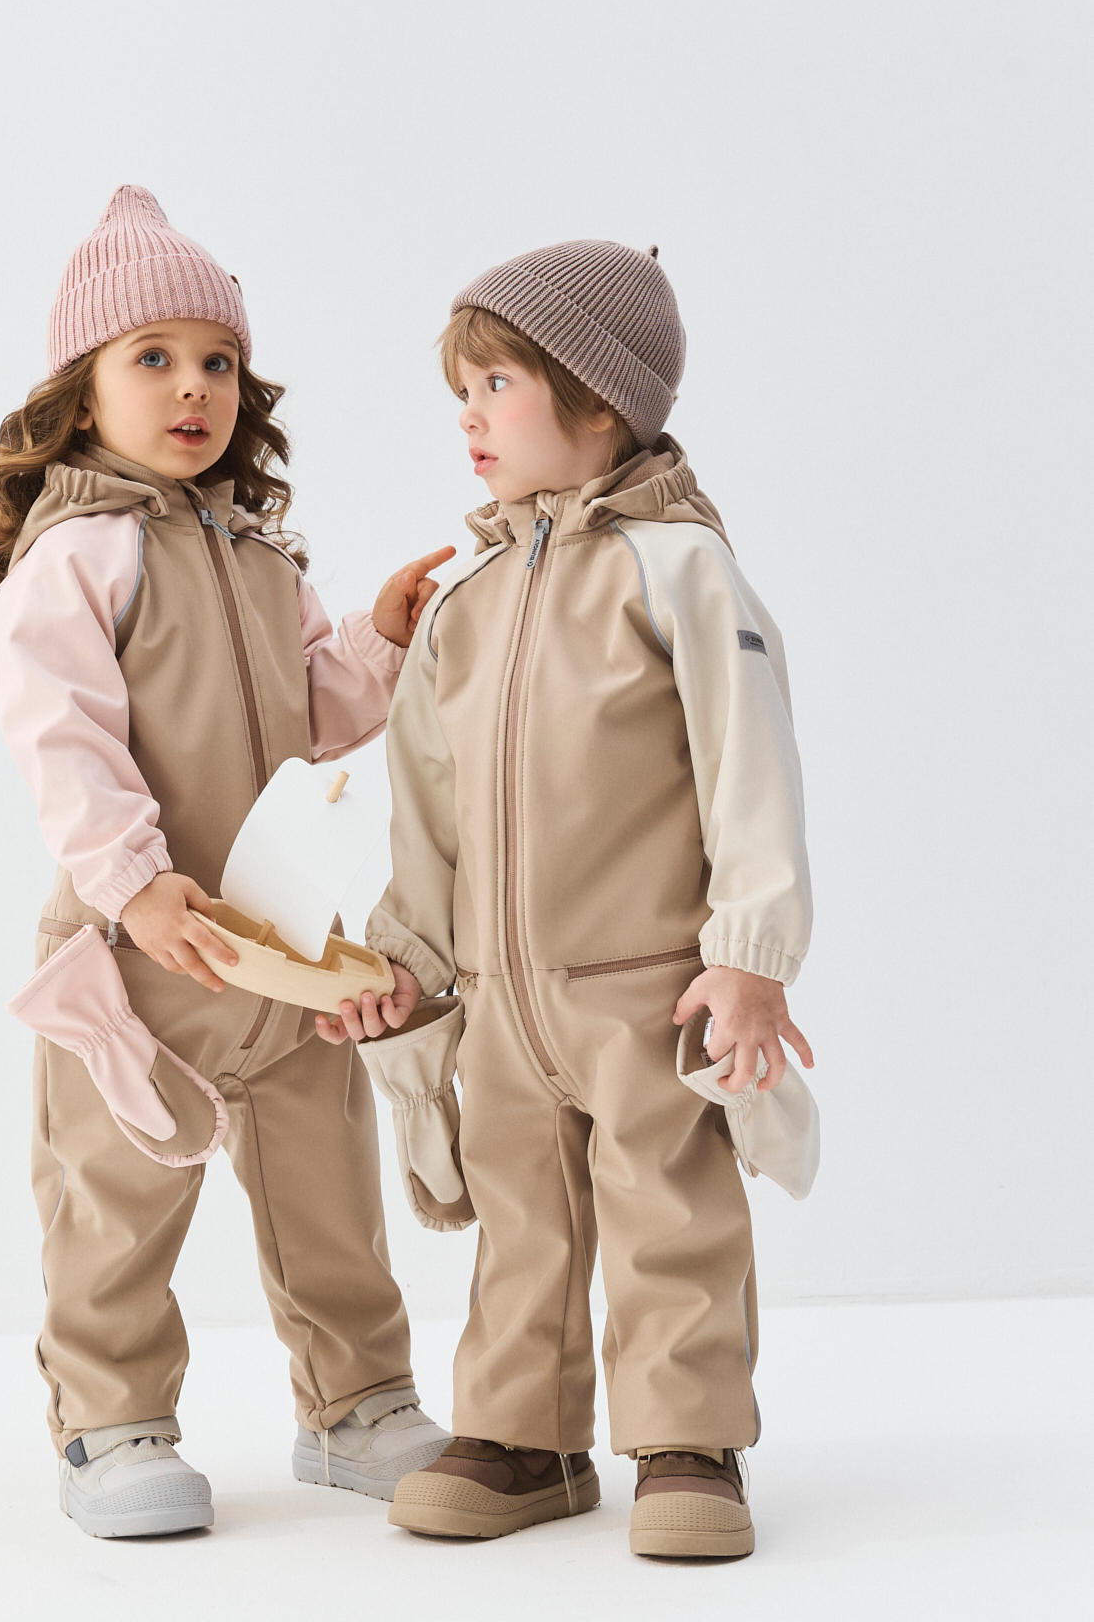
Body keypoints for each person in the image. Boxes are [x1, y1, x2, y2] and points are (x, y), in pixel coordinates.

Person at [0, 184, 453, 1538]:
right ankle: (110, 1422)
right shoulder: (76, 557)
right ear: (82, 392)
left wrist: (380, 639)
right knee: (115, 1198)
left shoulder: (258, 554)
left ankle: (359, 1404)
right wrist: (133, 882)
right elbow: (61, 734)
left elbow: (312, 709)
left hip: (278, 946)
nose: (195, 388)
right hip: (139, 954)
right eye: (155, 358)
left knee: (327, 1184)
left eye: (220, 361)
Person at [317, 238, 814, 1559]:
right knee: (520, 1217)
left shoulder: (683, 570)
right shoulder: (463, 602)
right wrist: (407, 964)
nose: (468, 418)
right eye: (461, 392)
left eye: (495, 385)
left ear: (597, 401)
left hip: (650, 989)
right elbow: (425, 809)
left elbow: (750, 764)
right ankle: (521, 1438)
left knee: (669, 1207)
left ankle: (687, 1438)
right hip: (501, 1000)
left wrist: (751, 951)